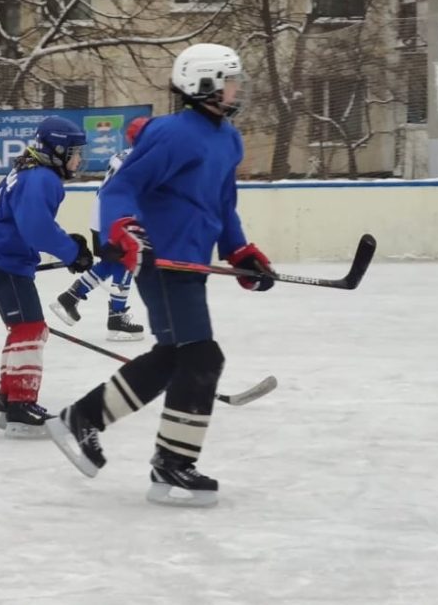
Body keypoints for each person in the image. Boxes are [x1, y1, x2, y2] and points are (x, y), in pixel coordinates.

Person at [46, 43, 276, 507]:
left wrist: (240, 252)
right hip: (162, 262)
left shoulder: (228, 139)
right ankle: (172, 464)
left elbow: (223, 206)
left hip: (191, 265)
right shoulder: (172, 135)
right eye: (230, 80)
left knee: (174, 358)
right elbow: (122, 186)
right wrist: (125, 229)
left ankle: (83, 419)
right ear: (204, 84)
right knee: (202, 358)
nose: (237, 89)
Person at [0, 115, 95, 438]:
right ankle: (20, 407)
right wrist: (72, 252)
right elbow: (36, 229)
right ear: (57, 151)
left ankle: (8, 402)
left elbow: (30, 224)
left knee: (23, 330)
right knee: (30, 330)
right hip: (4, 263)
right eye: (74, 152)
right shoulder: (42, 178)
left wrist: (70, 245)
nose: (78, 159)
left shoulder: (29, 171)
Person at [49, 116, 150, 341]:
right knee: (125, 263)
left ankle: (70, 297)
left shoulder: (122, 155)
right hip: (115, 219)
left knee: (111, 263)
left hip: (102, 216)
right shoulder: (141, 160)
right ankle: (117, 318)